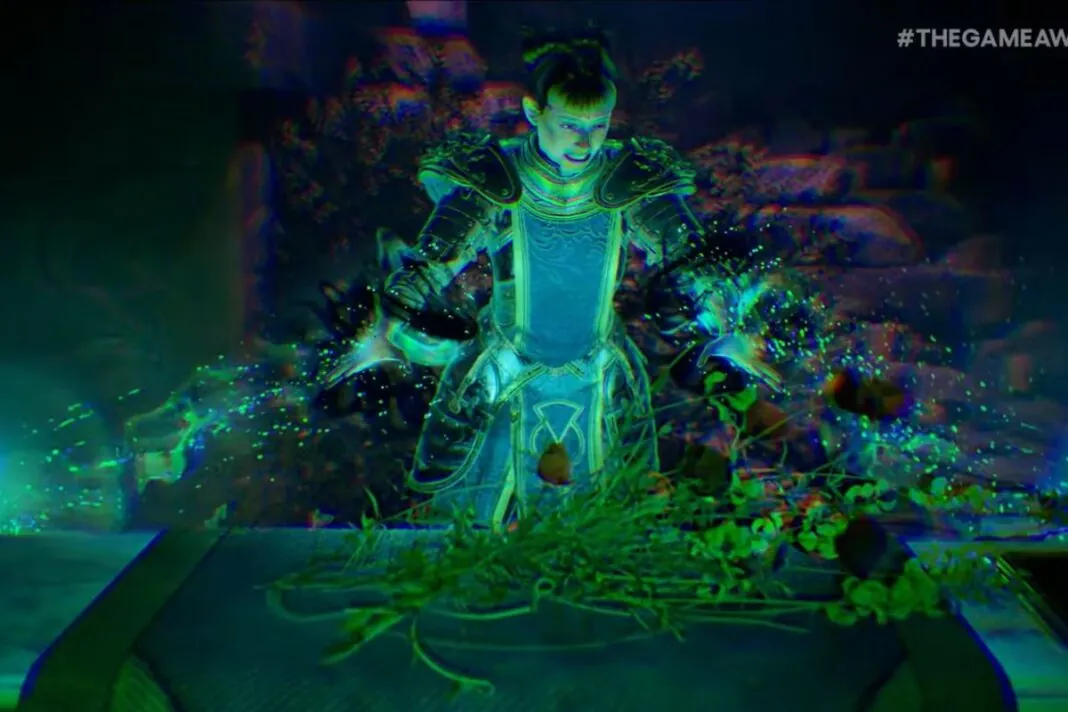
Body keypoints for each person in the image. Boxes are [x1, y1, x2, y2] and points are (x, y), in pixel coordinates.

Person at [334, 30, 777, 530]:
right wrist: (394, 315)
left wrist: (724, 313)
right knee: (463, 520)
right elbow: (432, 261)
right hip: (502, 362)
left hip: (600, 365)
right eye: (570, 125)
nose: (585, 142)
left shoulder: (628, 175)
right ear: (533, 111)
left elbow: (691, 258)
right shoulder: (495, 174)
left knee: (612, 518)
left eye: (598, 125)